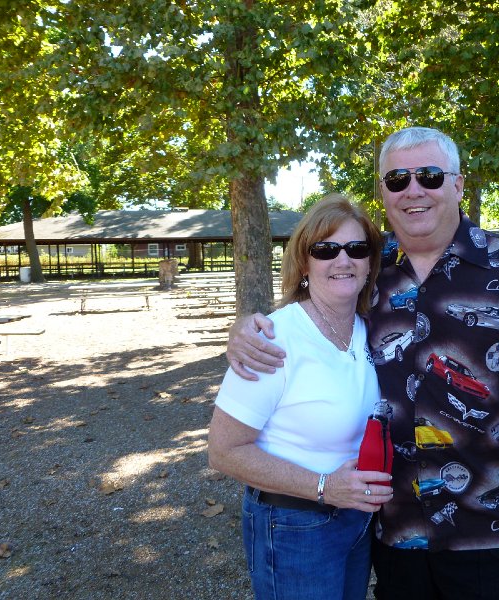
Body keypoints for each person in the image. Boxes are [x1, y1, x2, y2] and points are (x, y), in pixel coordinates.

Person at [226, 127, 499, 600]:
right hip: (392, 525)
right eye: (397, 179)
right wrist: (245, 329)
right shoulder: (362, 265)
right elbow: (306, 307)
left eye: (429, 175)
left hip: (488, 524)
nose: (413, 189)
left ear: (458, 184)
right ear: (383, 192)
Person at [207, 193, 393, 600]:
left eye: (356, 248)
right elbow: (223, 451)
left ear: (369, 263)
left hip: (356, 520)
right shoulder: (274, 339)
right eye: (326, 249)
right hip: (294, 526)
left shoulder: (370, 327)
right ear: (304, 263)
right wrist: (325, 487)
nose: (342, 260)